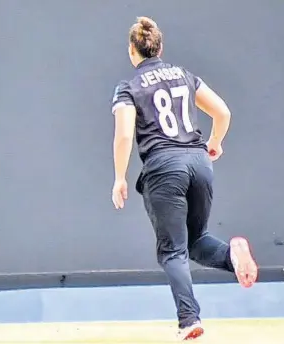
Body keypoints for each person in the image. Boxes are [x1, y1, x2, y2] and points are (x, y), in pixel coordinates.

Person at [110, 16, 258, 340]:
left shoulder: (129, 87)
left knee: (172, 251)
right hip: (199, 161)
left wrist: (120, 178)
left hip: (164, 168)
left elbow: (123, 136)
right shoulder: (184, 75)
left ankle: (188, 319)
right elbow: (222, 112)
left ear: (132, 51)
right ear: (160, 47)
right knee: (195, 241)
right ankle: (234, 257)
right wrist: (215, 143)